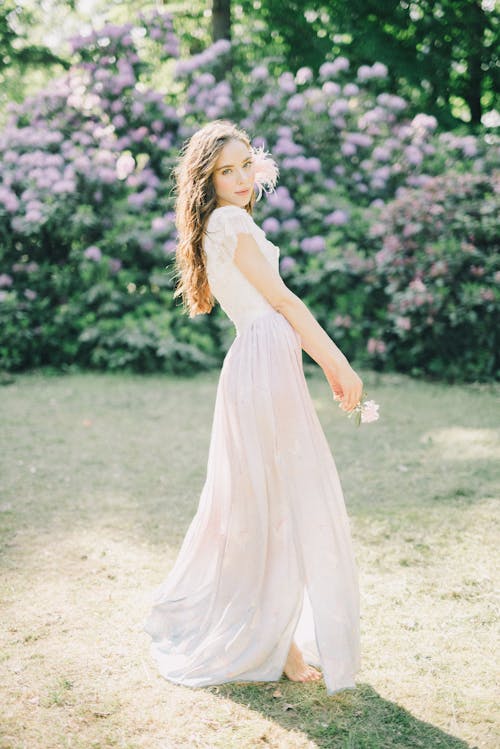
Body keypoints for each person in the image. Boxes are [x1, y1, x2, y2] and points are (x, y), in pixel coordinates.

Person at [143, 119, 363, 695]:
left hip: (257, 359)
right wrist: (337, 363)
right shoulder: (231, 221)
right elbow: (283, 300)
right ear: (207, 180)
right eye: (227, 170)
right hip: (263, 357)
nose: (242, 178)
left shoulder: (218, 222)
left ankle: (281, 637)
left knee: (266, 495)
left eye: (246, 165)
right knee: (276, 494)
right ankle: (280, 642)